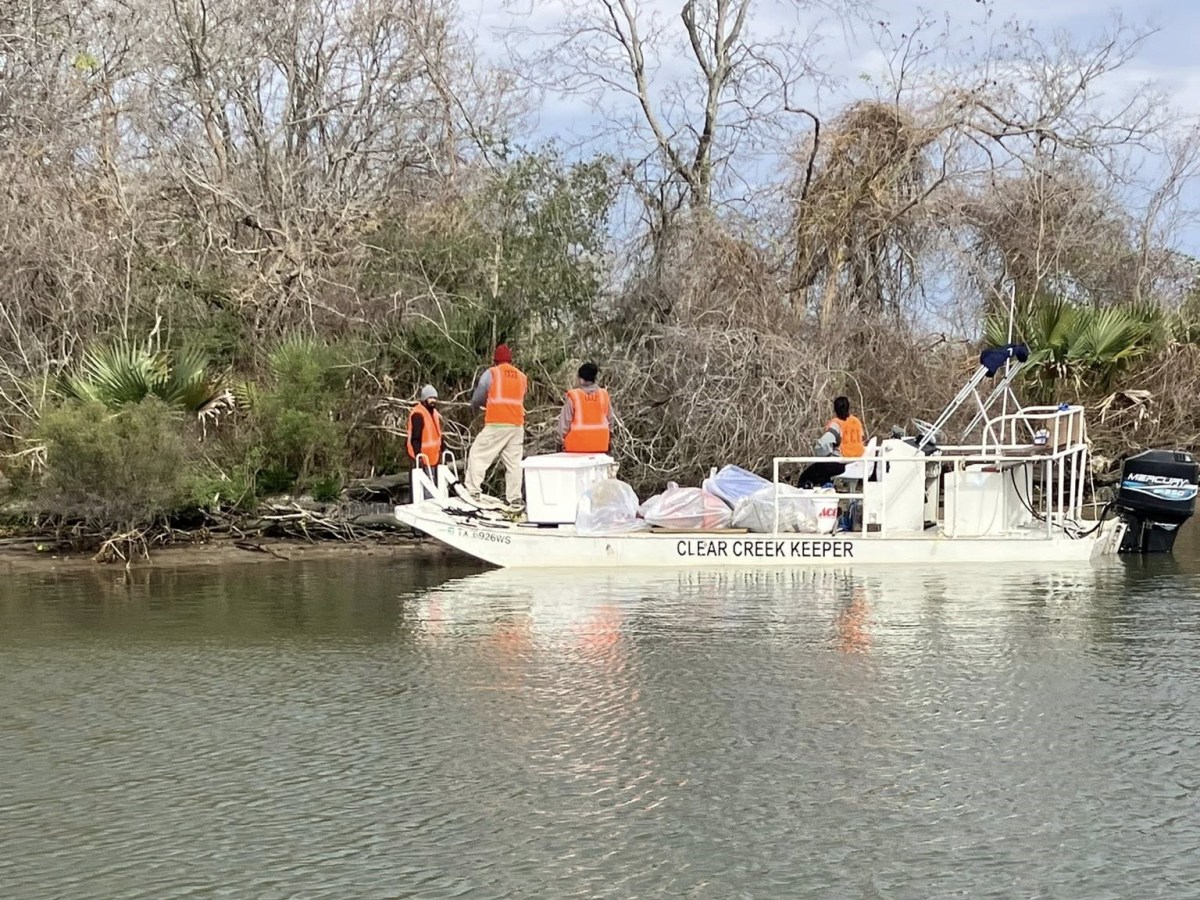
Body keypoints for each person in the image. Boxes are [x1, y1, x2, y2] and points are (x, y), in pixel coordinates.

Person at [464, 343, 528, 507]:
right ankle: (514, 498)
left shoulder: (492, 373)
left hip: (497, 423)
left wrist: (474, 406)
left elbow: (479, 396)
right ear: (510, 360)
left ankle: (472, 491)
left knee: (478, 454)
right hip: (517, 425)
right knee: (513, 464)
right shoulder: (521, 376)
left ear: (495, 360)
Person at [798, 395, 866, 487]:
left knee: (807, 475)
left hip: (840, 463)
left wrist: (817, 449)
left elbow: (822, 445)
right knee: (823, 471)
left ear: (835, 408)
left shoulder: (836, 424)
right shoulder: (856, 422)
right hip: (857, 461)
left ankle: (825, 487)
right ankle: (827, 485)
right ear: (848, 407)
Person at [558, 362, 613, 453]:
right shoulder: (603, 395)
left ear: (581, 379)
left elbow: (564, 424)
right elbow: (611, 421)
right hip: (601, 445)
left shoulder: (574, 396)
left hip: (577, 447)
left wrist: (559, 442)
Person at [406, 384, 443, 482]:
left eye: (435, 398)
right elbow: (415, 439)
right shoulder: (418, 414)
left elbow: (438, 434)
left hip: (434, 456)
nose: (433, 400)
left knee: (435, 485)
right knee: (425, 489)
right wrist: (419, 458)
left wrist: (443, 449)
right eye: (430, 398)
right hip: (423, 458)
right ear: (424, 399)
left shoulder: (434, 413)